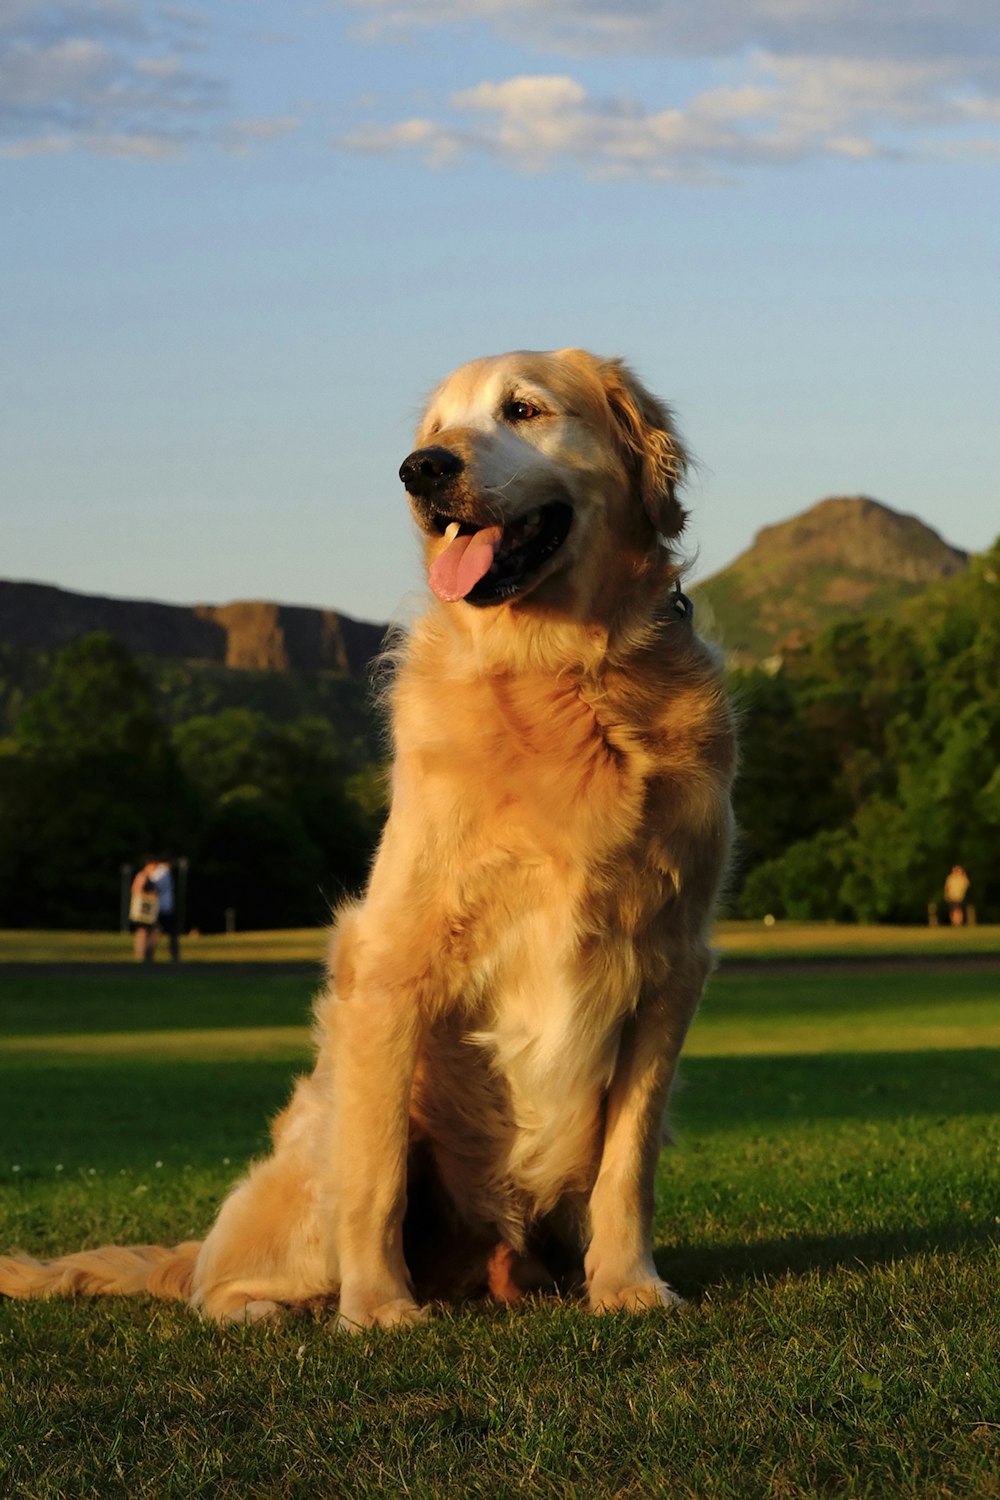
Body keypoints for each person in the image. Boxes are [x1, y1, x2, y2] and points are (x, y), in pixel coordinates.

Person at [129, 857, 160, 962]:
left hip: (148, 910)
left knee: (152, 931)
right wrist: (149, 896)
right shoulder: (142, 875)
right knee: (143, 932)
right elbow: (136, 890)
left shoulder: (150, 878)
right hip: (143, 910)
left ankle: (147, 955)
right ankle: (141, 956)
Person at [150, 856, 179, 962]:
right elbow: (155, 886)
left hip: (161, 907)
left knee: (157, 931)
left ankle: (148, 954)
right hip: (164, 907)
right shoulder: (163, 872)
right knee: (170, 932)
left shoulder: (158, 872)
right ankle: (174, 955)